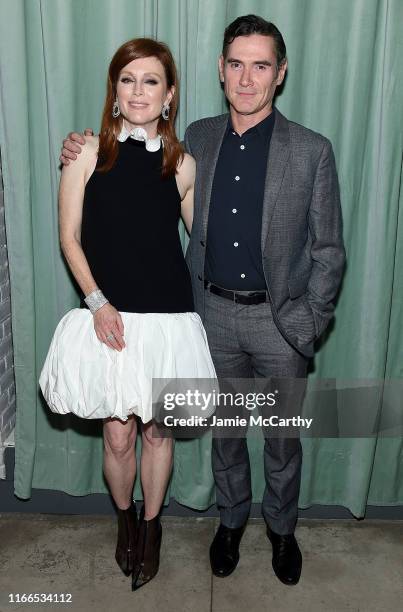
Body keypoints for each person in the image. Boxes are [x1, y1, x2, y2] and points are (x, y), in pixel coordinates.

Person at [60, 15, 345, 586]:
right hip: (210, 315)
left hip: (279, 321)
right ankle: (231, 523)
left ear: (280, 73)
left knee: (283, 439)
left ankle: (282, 533)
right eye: (236, 64)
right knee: (227, 436)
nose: (246, 77)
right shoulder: (200, 139)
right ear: (220, 70)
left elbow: (330, 250)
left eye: (260, 65)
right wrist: (81, 145)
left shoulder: (311, 150)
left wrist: (307, 321)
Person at [40, 37, 216, 591]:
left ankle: (153, 526)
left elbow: (204, 239)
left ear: (169, 96)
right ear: (114, 91)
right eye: (128, 79)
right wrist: (98, 302)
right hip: (109, 317)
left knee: (158, 435)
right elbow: (70, 238)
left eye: (151, 81)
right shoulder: (88, 153)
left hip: (170, 321)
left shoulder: (182, 164)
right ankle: (124, 522)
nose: (138, 90)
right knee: (118, 438)